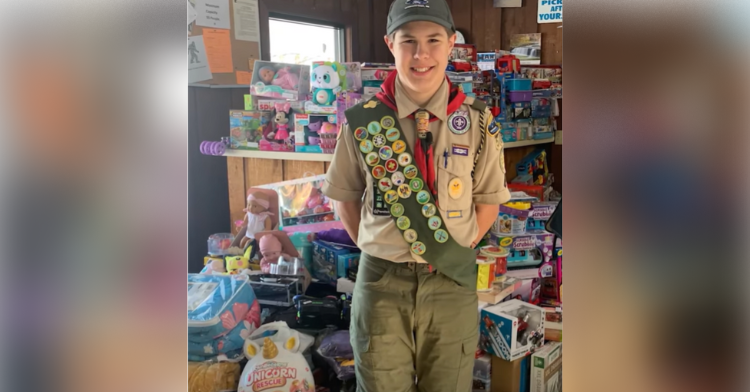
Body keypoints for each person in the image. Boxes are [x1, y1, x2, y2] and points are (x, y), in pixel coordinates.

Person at [322, 0, 510, 390]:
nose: (421, 54)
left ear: (451, 44)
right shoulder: (363, 122)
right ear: (391, 43)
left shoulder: (477, 121)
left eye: (433, 40)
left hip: (450, 279)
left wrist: (455, 247)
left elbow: (488, 200)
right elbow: (345, 197)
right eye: (409, 41)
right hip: (381, 282)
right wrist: (376, 245)